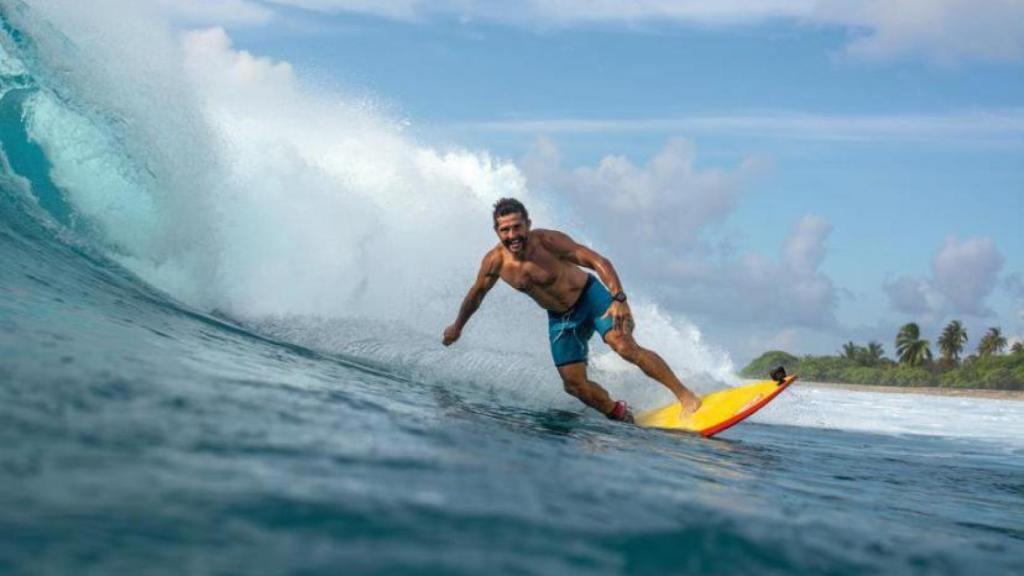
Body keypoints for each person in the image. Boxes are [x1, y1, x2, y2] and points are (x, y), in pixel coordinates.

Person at [442, 197, 701, 422]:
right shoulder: (494, 263)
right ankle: (620, 414)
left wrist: (619, 298)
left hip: (591, 297)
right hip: (561, 319)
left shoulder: (548, 241)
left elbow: (598, 261)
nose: (512, 235)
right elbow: (476, 295)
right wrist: (457, 327)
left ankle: (687, 397)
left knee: (623, 345)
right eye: (505, 230)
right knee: (574, 385)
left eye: (517, 227)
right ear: (496, 231)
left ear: (528, 224)